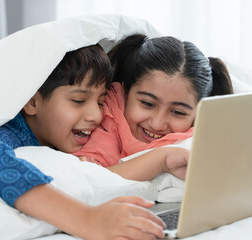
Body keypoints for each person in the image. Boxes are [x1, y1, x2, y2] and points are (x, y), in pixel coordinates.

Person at [0, 44, 166, 240]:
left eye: (100, 102)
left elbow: (104, 174)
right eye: (78, 100)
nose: (95, 116)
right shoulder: (11, 130)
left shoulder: (76, 134)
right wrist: (86, 219)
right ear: (32, 102)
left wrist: (164, 158)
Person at [74, 34, 233, 181]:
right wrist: (162, 160)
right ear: (125, 92)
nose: (157, 124)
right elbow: (91, 184)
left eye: (178, 112)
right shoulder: (106, 120)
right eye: (148, 104)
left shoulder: (202, 136)